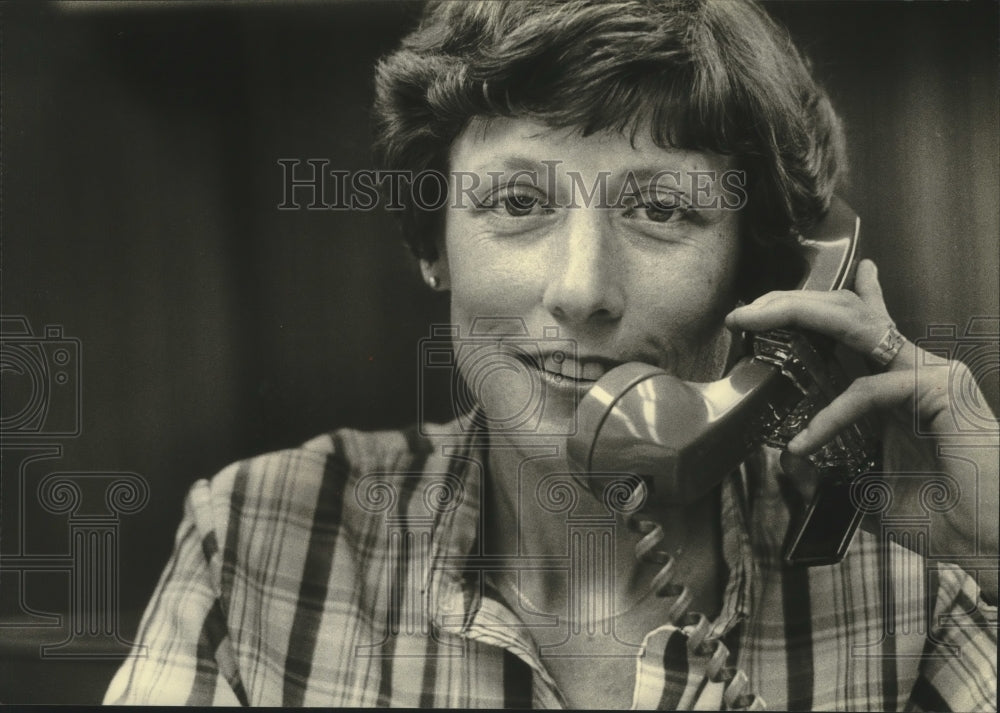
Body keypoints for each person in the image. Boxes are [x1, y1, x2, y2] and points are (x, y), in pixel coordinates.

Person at [105, 0, 997, 708]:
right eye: (518, 198)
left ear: (764, 275)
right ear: (435, 240)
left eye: (663, 210)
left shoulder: (909, 587)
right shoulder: (259, 538)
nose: (581, 289)